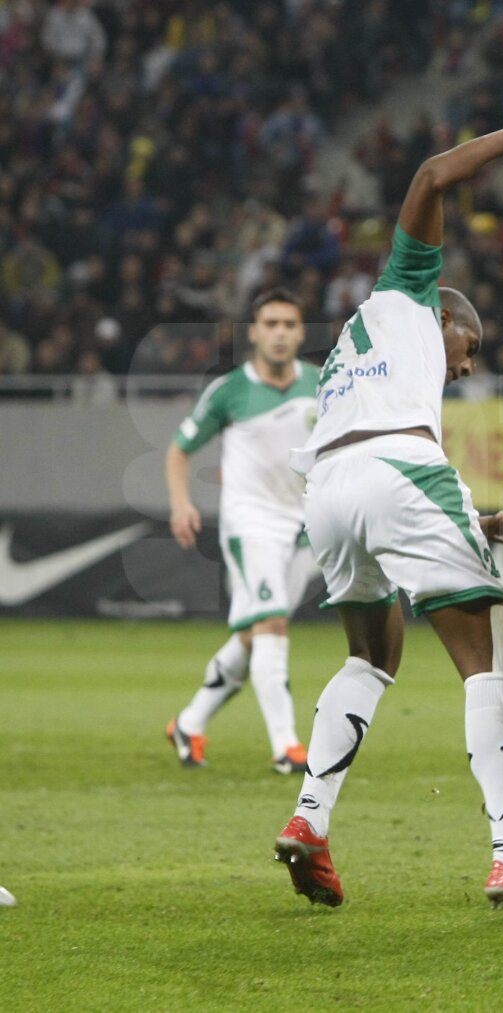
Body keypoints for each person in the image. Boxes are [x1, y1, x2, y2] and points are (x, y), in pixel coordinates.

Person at [273, 96, 503, 921]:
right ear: (446, 318)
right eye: (469, 349)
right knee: (491, 663)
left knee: (372, 658)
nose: (464, 368)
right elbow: (430, 176)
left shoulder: (353, 340)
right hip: (399, 471)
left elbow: (371, 460)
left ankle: (309, 820)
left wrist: (460, 525)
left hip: (333, 494)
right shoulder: (412, 289)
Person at [165, 288, 319, 775]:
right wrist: (181, 503)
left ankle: (189, 723)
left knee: (256, 631)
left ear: (299, 332)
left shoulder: (321, 385)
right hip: (250, 523)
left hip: (304, 526)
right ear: (253, 333)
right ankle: (286, 747)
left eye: (288, 324)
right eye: (270, 324)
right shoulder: (230, 390)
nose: (279, 333)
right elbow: (178, 449)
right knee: (272, 625)